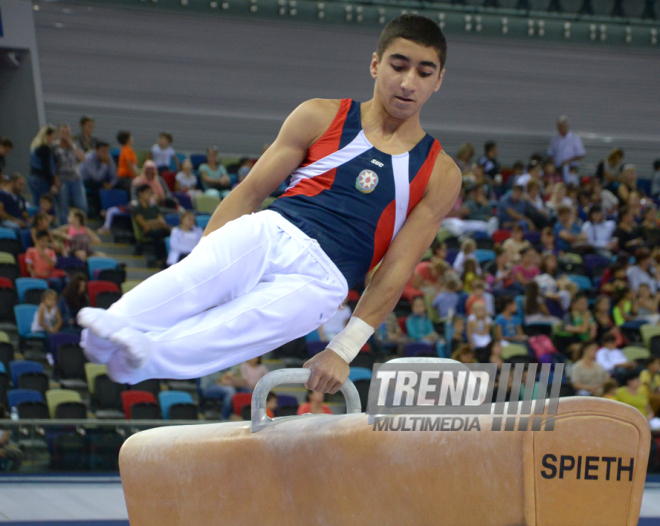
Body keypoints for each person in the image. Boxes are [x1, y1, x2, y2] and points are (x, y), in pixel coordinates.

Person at [78, 15, 462, 394]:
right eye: (398, 66)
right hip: (272, 231)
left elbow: (395, 269)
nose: (409, 83)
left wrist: (342, 350)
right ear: (376, 64)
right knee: (196, 277)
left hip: (323, 281)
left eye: (425, 73)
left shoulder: (440, 173)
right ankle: (108, 330)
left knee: (242, 327)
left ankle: (142, 361)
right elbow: (249, 192)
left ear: (439, 80)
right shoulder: (321, 115)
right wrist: (206, 257)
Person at [53, 123, 87, 225]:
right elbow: (51, 166)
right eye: (63, 132)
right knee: (63, 207)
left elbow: (82, 157)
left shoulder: (74, 145)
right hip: (62, 179)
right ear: (58, 133)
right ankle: (65, 229)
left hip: (76, 179)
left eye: (67, 132)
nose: (65, 134)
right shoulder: (54, 147)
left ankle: (81, 228)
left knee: (82, 205)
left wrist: (71, 145)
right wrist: (55, 180)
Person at [132, 184, 171, 267]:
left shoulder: (154, 207)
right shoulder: (137, 209)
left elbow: (163, 223)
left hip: (158, 229)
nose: (150, 195)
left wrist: (151, 223)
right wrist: (157, 222)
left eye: (151, 193)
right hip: (146, 232)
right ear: (140, 193)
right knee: (156, 233)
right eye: (147, 193)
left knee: (168, 231)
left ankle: (169, 258)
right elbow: (144, 225)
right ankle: (159, 259)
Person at [79, 141, 118, 218]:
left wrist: (111, 184)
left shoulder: (108, 157)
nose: (105, 154)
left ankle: (112, 213)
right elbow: (96, 177)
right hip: (84, 180)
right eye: (103, 151)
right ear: (97, 150)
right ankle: (98, 213)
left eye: (107, 151)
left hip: (100, 180)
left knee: (118, 184)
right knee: (99, 186)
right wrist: (104, 164)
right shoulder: (89, 158)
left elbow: (114, 175)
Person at [547, 116, 585, 185]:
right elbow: (550, 153)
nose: (561, 129)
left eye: (563, 126)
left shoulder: (575, 138)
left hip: (571, 168)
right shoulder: (555, 139)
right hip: (558, 169)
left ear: (567, 126)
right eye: (559, 127)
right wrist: (552, 165)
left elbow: (581, 154)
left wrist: (568, 161)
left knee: (571, 185)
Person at [28, 125, 58, 205]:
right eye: (52, 136)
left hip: (32, 178)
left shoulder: (35, 148)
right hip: (41, 180)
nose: (53, 138)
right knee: (47, 203)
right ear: (47, 136)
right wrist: (51, 184)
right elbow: (46, 168)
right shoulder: (45, 149)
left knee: (37, 202)